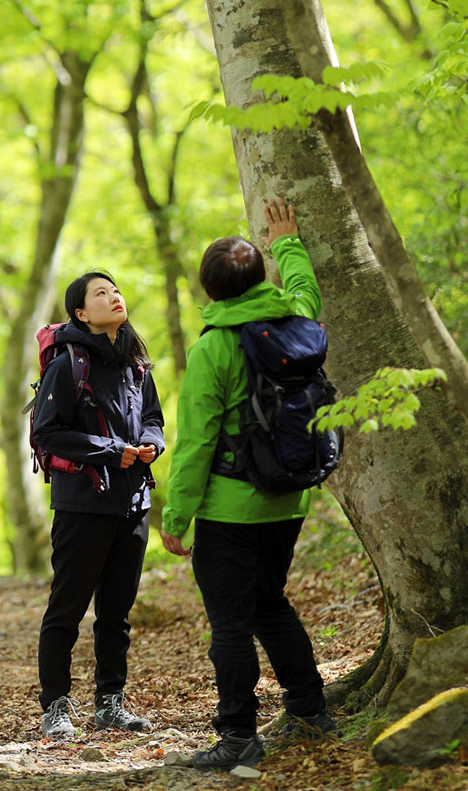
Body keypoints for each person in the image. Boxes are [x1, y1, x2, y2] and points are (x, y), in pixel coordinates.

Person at [160, 198, 337, 773]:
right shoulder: (299, 326)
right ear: (261, 278)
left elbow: (195, 445)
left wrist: (175, 518)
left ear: (209, 292)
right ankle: (310, 710)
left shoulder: (214, 348)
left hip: (230, 509)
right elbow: (307, 288)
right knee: (270, 604)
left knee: (231, 623)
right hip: (289, 499)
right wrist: (286, 240)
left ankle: (237, 736)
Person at [31, 271, 165, 741]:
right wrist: (111, 450)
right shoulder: (67, 365)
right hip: (82, 505)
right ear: (81, 313)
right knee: (66, 610)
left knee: (117, 613)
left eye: (116, 290)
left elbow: (152, 419)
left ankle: (110, 703)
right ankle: (55, 707)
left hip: (133, 502)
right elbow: (47, 433)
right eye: (100, 294)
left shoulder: (137, 364)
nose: (114, 297)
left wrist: (150, 444)